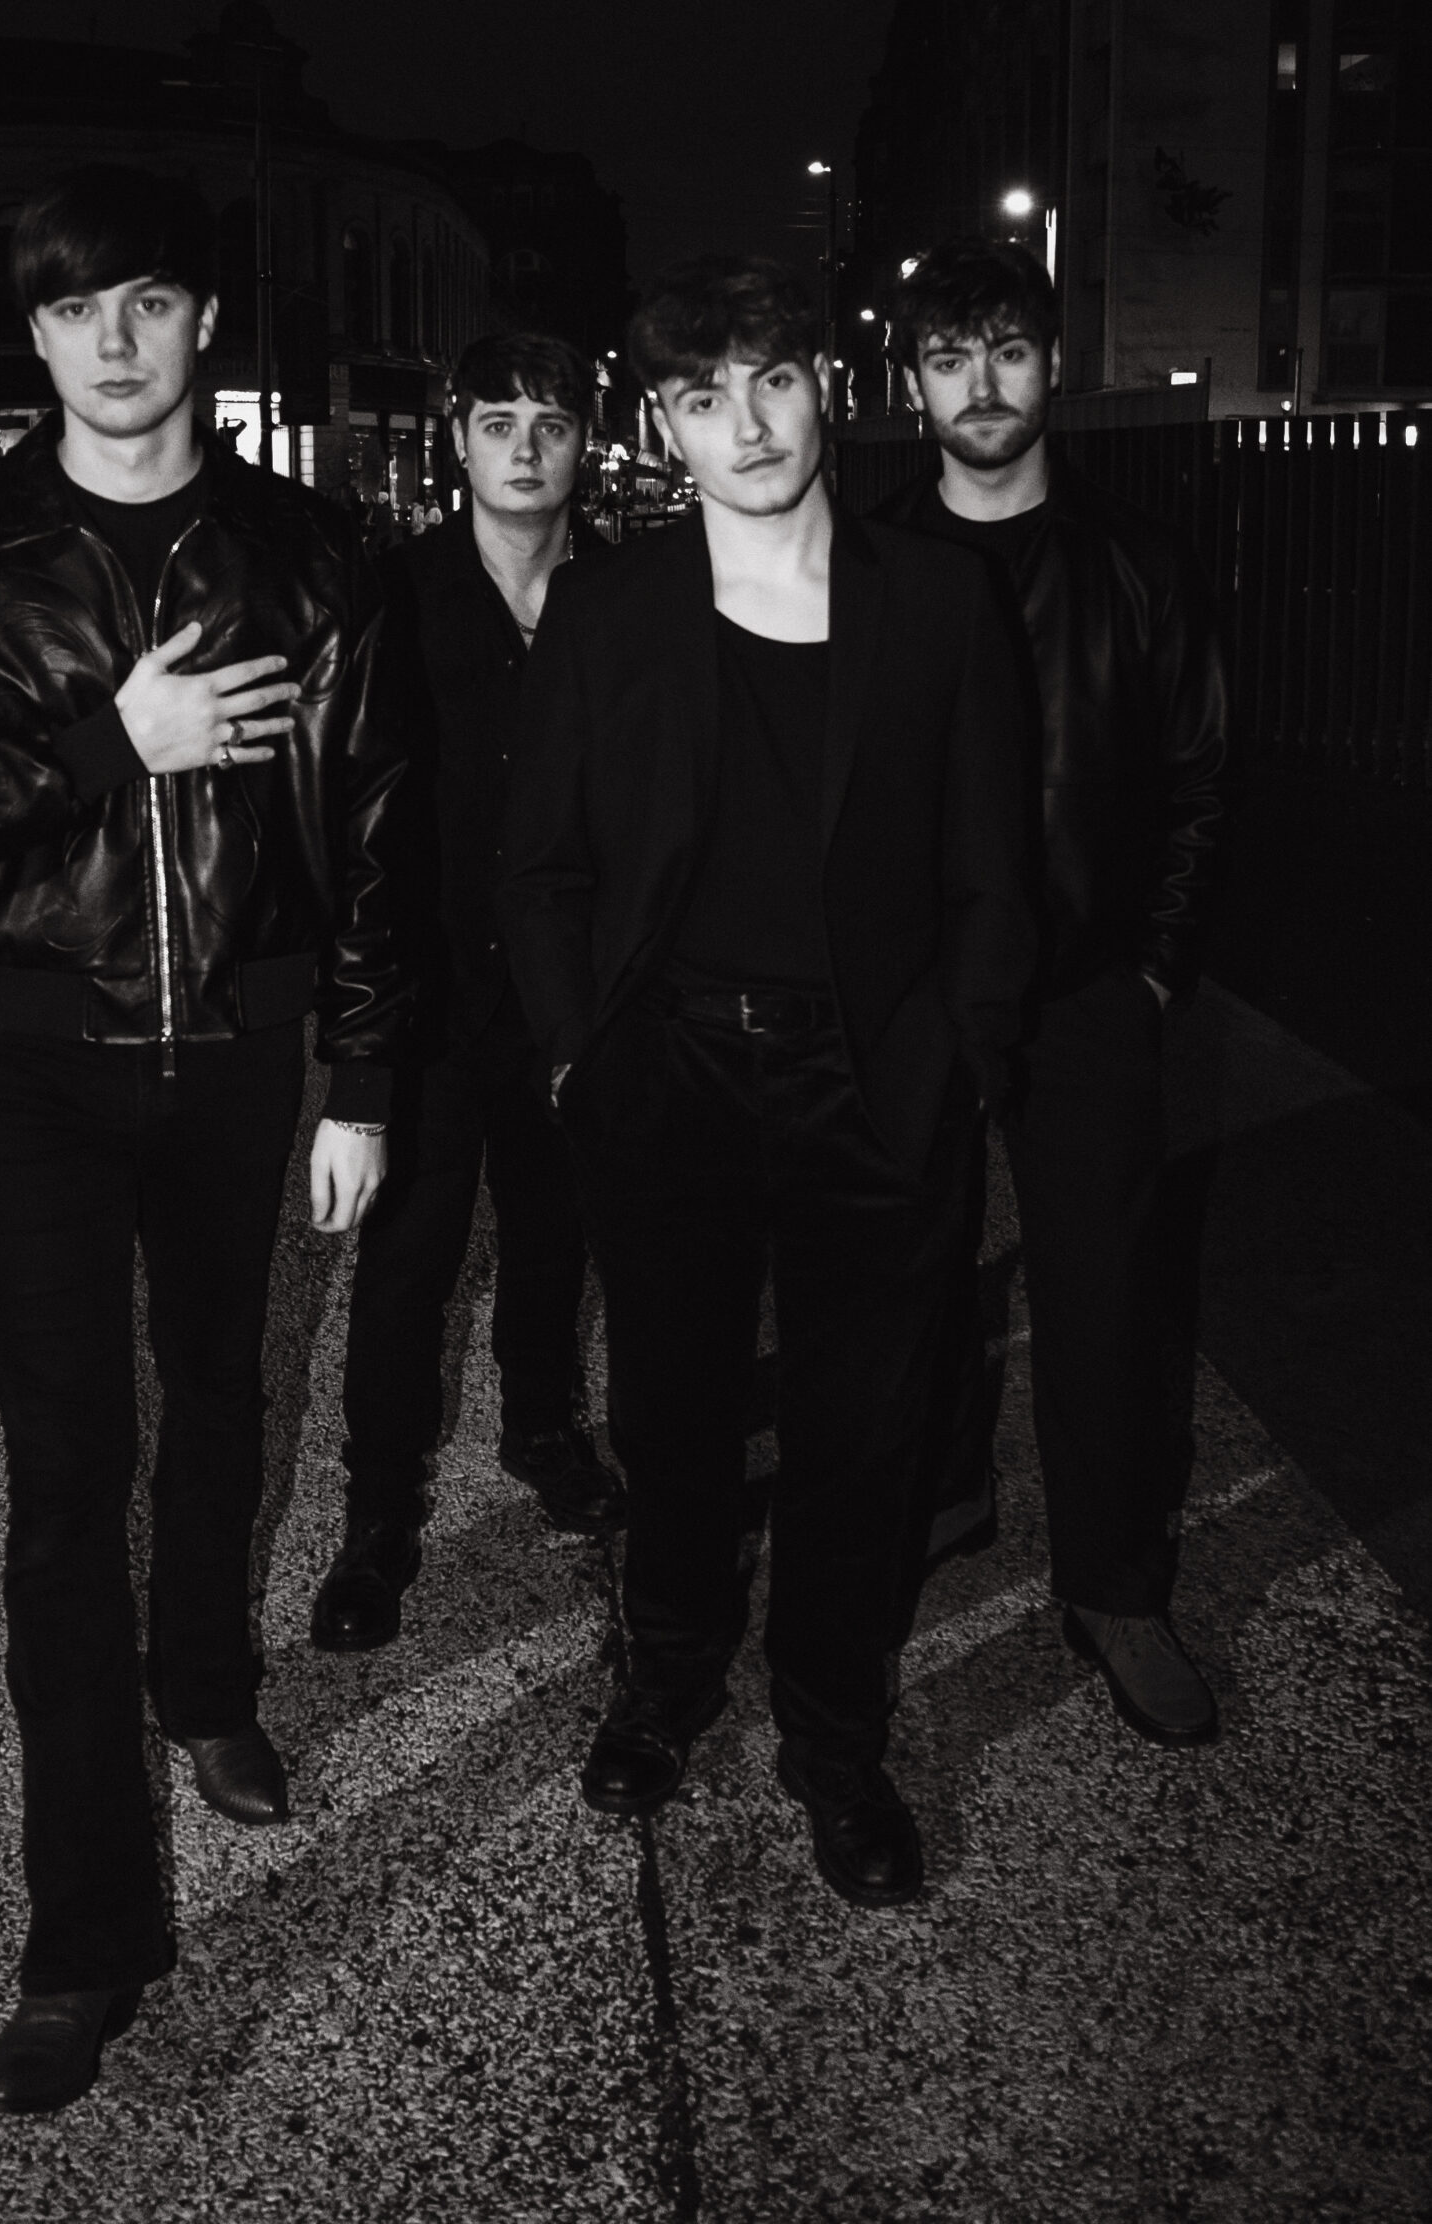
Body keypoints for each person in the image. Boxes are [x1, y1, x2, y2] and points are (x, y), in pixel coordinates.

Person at [0, 165, 407, 2115]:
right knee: (67, 1480)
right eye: (76, 308)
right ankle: (82, 1940)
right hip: (32, 1064)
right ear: (39, 333)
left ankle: (208, 1687)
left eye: (147, 299)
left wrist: (362, 1074)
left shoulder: (310, 550)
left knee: (222, 1395)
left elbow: (378, 830)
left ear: (200, 320)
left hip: (232, 1052)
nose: (116, 341)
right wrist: (100, 749)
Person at [498, 258, 1034, 1907]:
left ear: (826, 393)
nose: (747, 425)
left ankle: (836, 1739)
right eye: (705, 396)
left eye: (775, 382)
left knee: (861, 1435)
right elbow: (541, 867)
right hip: (668, 1074)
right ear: (664, 425)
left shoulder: (936, 600)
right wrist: (580, 1057)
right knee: (671, 1414)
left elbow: (997, 867)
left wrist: (951, 1062)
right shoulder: (607, 611)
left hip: (874, 1081)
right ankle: (668, 1678)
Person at [876, 234, 1230, 1747]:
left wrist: (1149, 972)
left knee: (1108, 1298)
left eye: (1007, 351)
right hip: (917, 993)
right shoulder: (871, 561)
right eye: (951, 357)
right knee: (909, 1277)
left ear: (1054, 366)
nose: (982, 384)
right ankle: (939, 1497)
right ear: (913, 382)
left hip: (1089, 988)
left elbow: (1201, 781)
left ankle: (1116, 1584)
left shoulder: (1135, 560)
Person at [312, 332, 622, 1654]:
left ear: (584, 441)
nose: (525, 449)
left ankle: (543, 1430)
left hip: (571, 997)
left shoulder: (627, 595)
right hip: (429, 996)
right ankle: (379, 1511)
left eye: (550, 424)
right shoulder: (394, 593)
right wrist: (359, 1048)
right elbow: (347, 817)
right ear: (458, 439)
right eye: (499, 422)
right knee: (405, 1267)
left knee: (557, 1239)